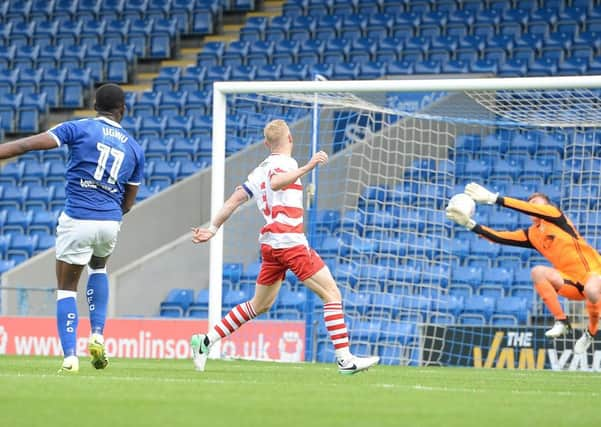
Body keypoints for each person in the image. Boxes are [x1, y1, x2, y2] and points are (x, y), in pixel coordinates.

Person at [190, 119, 380, 374]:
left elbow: (234, 200)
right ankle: (345, 360)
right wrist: (308, 166)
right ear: (290, 138)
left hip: (271, 245)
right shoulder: (286, 164)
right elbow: (277, 182)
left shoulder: (257, 172)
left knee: (259, 305)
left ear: (267, 144)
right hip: (289, 241)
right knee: (332, 294)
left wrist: (212, 228)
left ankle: (205, 341)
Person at [0, 84, 145, 372]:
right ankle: (98, 334)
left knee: (67, 289)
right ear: (123, 109)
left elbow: (28, 144)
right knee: (99, 268)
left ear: (94, 105)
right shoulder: (134, 147)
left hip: (78, 217)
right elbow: (128, 202)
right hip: (109, 222)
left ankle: (70, 357)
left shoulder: (79, 128)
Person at [446, 182, 601, 355]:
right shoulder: (532, 234)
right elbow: (499, 237)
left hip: (594, 272)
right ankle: (562, 322)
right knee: (538, 272)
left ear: (547, 206)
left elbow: (525, 208)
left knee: (592, 290)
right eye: (531, 203)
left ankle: (591, 333)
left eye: (537, 203)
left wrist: (493, 198)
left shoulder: (555, 216)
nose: (533, 206)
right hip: (570, 283)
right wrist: (470, 224)